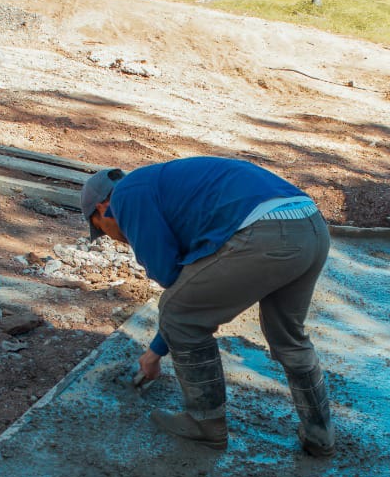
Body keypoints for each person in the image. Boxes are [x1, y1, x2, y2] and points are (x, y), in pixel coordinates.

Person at [80, 157, 334, 455]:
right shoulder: (171, 193)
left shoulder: (127, 196)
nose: (118, 239)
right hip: (310, 227)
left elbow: (171, 282)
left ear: (101, 208)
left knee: (177, 312)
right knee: (289, 338)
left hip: (267, 232)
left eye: (102, 229)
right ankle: (320, 435)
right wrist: (156, 352)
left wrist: (162, 344)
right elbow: (190, 295)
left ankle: (204, 424)